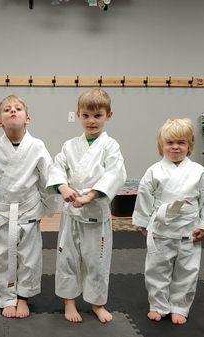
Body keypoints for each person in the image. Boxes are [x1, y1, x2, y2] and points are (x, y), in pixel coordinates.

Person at [47, 88, 126, 324]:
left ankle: (97, 303)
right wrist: (63, 188)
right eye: (86, 115)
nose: (92, 121)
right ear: (78, 115)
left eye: (98, 115)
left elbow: (115, 174)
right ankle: (69, 302)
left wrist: (91, 195)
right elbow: (57, 168)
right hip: (72, 212)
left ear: (108, 115)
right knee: (68, 257)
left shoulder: (110, 146)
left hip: (96, 213)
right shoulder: (70, 146)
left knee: (97, 260)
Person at [132, 118, 204, 325]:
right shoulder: (154, 171)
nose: (175, 147)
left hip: (189, 231)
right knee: (156, 270)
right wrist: (143, 222)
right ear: (161, 145)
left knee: (187, 271)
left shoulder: (197, 171)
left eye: (181, 142)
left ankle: (180, 306)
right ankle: (158, 305)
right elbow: (144, 195)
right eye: (170, 143)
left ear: (189, 146)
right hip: (161, 229)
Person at [0, 95, 54, 318]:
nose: (13, 111)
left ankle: (23, 297)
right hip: (2, 210)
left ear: (27, 118)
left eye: (18, 108)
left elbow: (47, 177)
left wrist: (46, 206)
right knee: (1, 255)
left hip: (29, 209)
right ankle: (6, 296)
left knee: (29, 256)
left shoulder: (37, 146)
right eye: (7, 109)